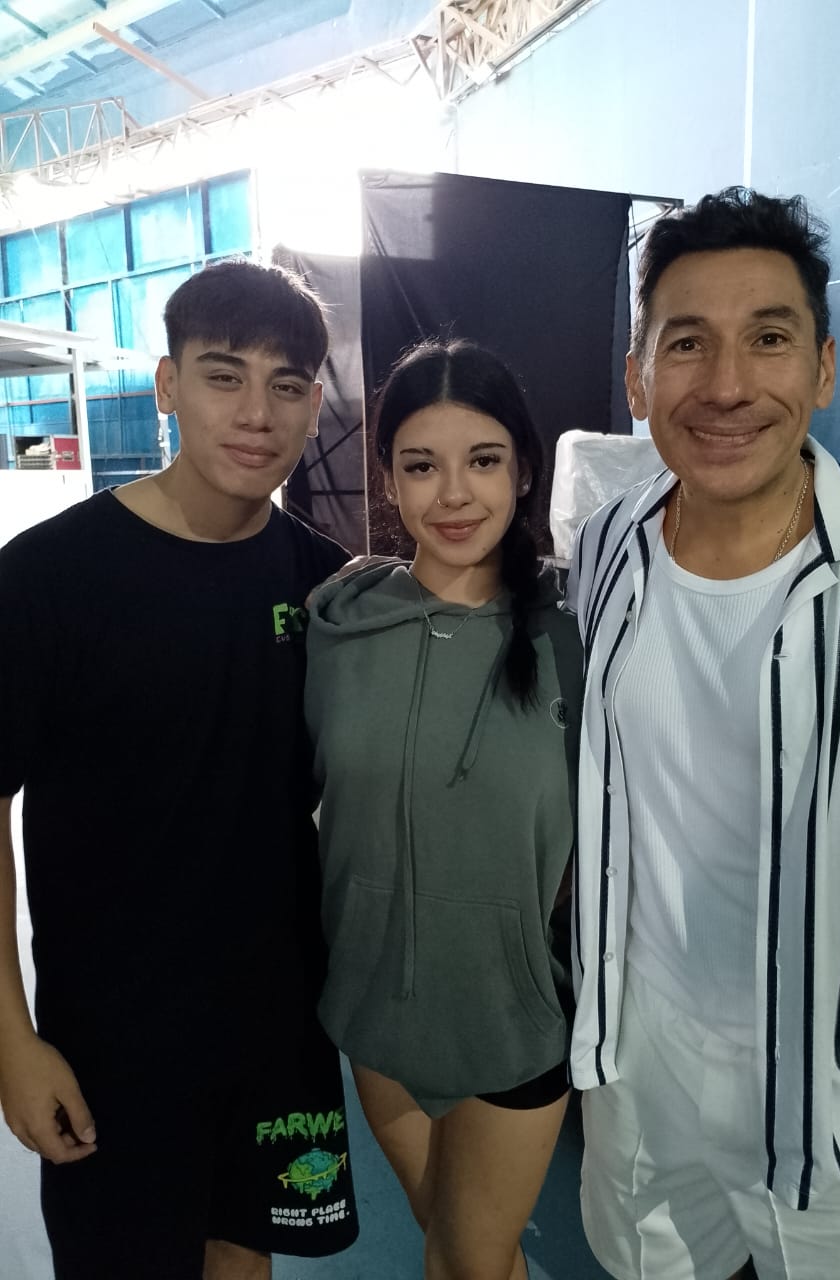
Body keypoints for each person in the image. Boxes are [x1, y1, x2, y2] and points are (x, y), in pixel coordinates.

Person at [566, 187, 840, 1279]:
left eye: (770, 339)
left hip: (836, 1082)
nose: (728, 384)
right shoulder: (606, 548)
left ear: (823, 369)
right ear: (639, 377)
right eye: (687, 342)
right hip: (636, 1061)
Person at [0, 259, 359, 1280]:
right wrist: (11, 1040)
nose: (256, 413)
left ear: (314, 405)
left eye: (286, 385)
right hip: (113, 1040)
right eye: (222, 375)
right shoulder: (46, 579)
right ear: (167, 385)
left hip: (276, 1028)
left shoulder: (327, 588)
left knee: (243, 1259)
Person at [304, 338, 582, 1280]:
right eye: (421, 466)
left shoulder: (574, 638)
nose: (453, 494)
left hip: (511, 1024)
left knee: (467, 1258)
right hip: (373, 1016)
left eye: (483, 460)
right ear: (387, 477)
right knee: (454, 1252)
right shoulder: (337, 625)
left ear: (524, 470)